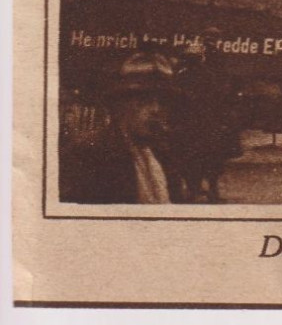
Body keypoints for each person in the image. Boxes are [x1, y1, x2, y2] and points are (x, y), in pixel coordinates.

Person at [60, 52, 179, 204]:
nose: (155, 109)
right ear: (120, 105)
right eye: (143, 100)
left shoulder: (163, 156)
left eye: (162, 102)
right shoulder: (91, 155)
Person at [168, 26, 242, 203]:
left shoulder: (182, 71)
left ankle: (196, 190)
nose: (212, 42)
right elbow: (221, 89)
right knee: (212, 154)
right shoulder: (207, 69)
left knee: (193, 154)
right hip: (208, 117)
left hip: (192, 119)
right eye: (210, 38)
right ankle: (208, 190)